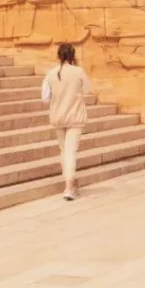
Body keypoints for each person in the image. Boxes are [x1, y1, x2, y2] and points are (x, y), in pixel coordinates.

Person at [41, 43, 91, 201]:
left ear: (58, 56)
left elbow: (45, 98)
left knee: (64, 151)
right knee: (70, 151)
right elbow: (87, 89)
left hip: (58, 117)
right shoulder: (78, 72)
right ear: (73, 55)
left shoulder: (51, 73)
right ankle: (69, 187)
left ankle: (70, 183)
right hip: (74, 117)